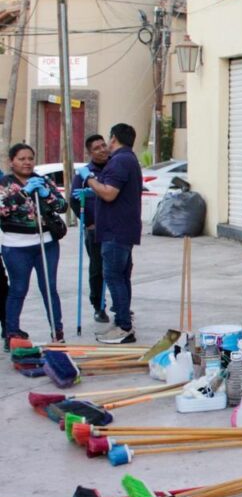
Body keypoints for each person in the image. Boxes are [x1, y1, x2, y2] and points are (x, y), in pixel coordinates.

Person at [79, 124, 143, 344]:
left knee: (114, 277)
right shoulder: (129, 159)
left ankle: (124, 327)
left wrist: (89, 179)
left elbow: (109, 194)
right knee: (121, 277)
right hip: (123, 229)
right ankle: (123, 323)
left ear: (113, 138)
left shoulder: (119, 161)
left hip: (115, 230)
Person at [0, 143, 67, 346]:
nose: (27, 162)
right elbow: (2, 209)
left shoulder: (43, 180)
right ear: (12, 162)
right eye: (21, 159)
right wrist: (24, 193)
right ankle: (12, 334)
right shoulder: (4, 184)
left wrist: (47, 194)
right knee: (18, 289)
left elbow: (62, 206)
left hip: (46, 244)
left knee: (49, 288)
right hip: (16, 246)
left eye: (30, 158)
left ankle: (57, 332)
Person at [71, 134, 109, 323]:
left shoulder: (115, 167)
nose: (102, 150)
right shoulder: (83, 174)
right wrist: (89, 223)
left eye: (103, 145)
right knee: (97, 269)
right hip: (94, 229)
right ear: (90, 152)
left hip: (115, 227)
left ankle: (122, 305)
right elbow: (74, 200)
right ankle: (98, 306)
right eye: (96, 148)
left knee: (120, 268)